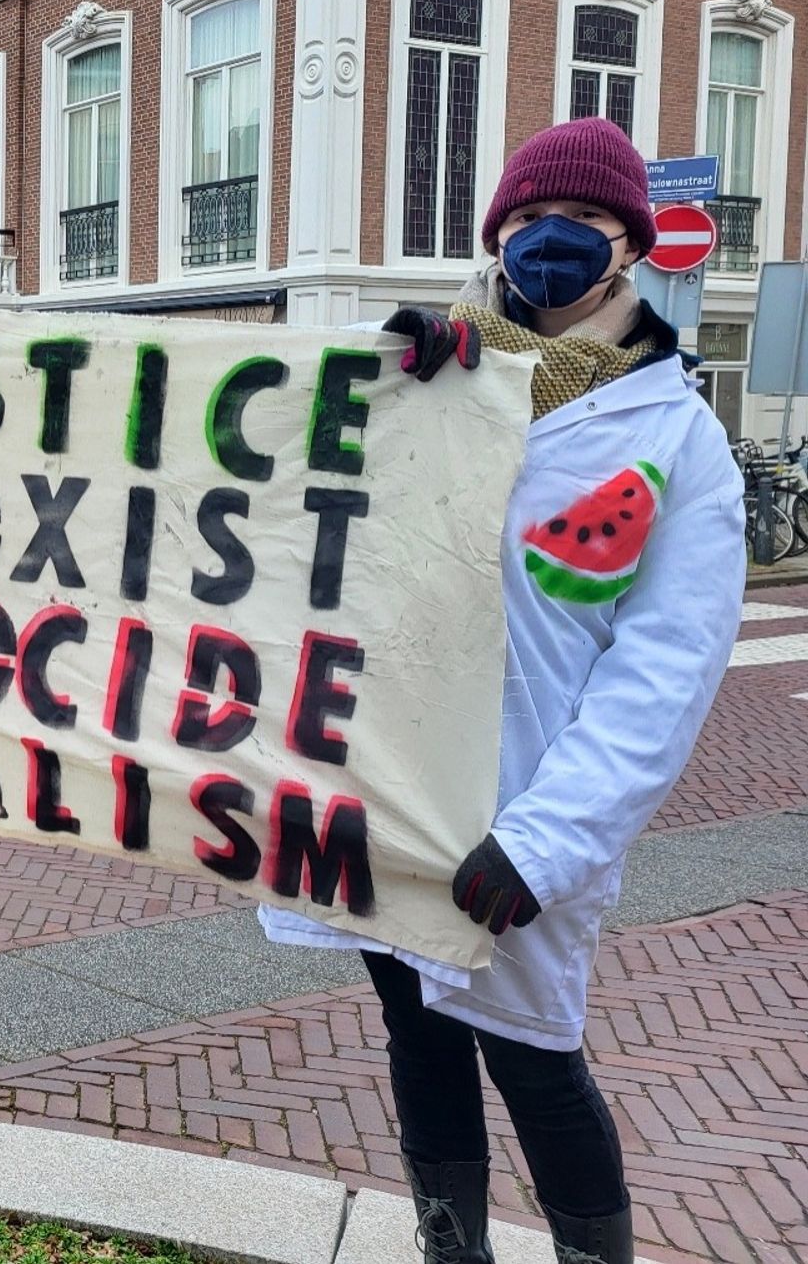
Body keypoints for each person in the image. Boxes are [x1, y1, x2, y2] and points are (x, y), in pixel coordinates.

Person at [262, 117, 744, 1264]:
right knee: (415, 1037)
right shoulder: (433, 375)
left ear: (628, 242)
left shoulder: (677, 440)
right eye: (525, 222)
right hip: (389, 798)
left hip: (523, 823)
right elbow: (294, 533)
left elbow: (661, 674)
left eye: (576, 221)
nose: (547, 242)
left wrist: (547, 840)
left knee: (534, 1059)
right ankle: (450, 1250)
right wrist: (361, 397)